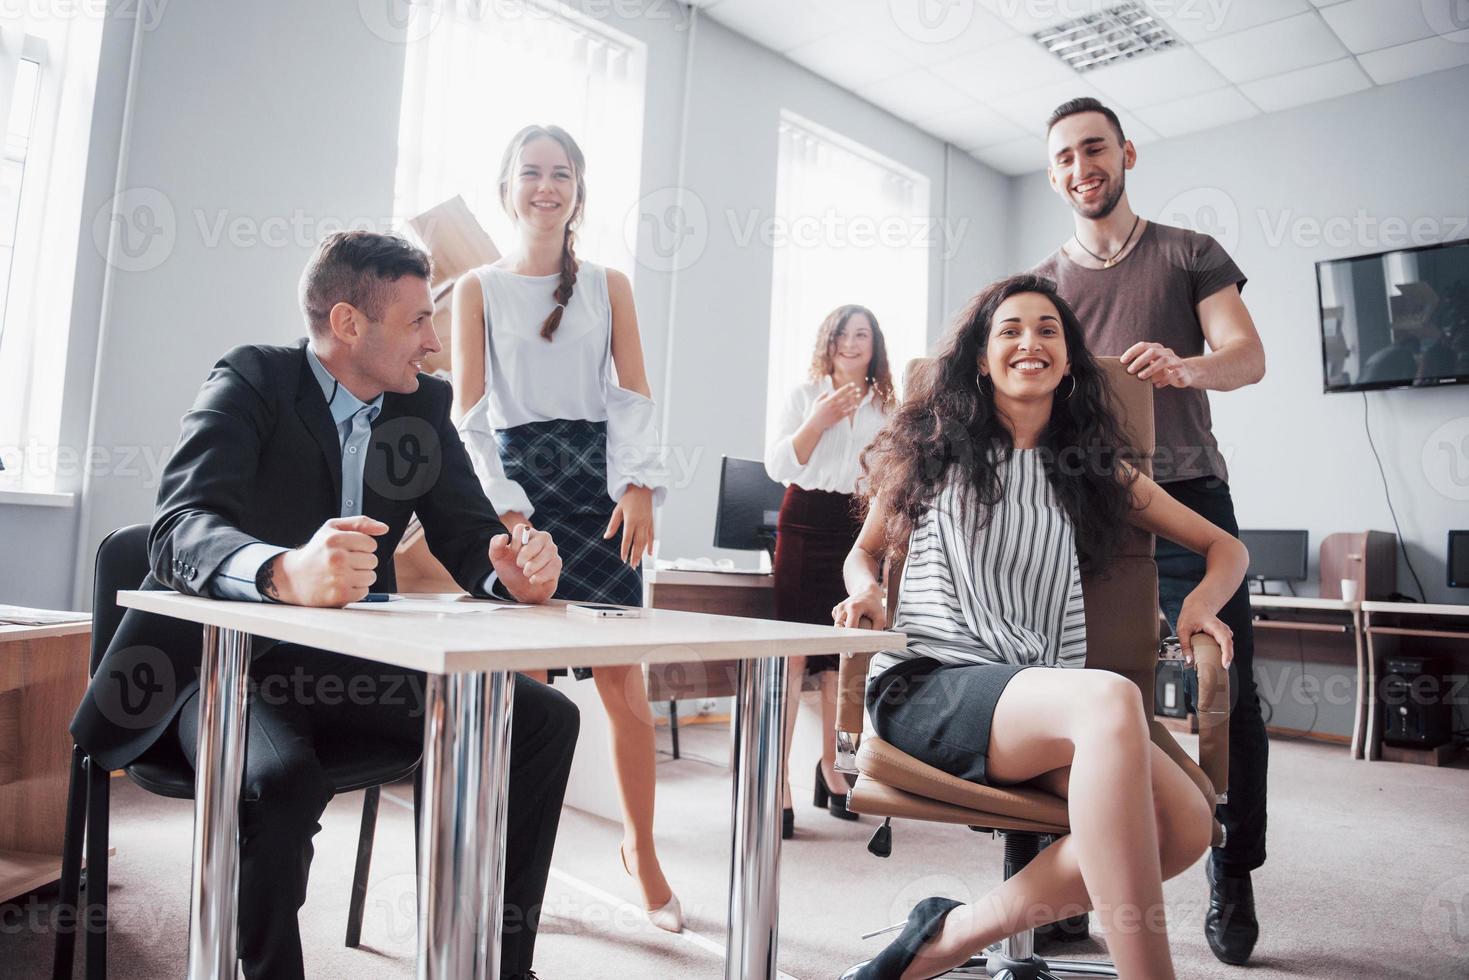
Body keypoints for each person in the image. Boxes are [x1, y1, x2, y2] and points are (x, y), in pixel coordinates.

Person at [69, 231, 577, 980]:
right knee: (282, 782)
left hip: (354, 670)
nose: (435, 344)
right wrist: (282, 571)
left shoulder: (420, 407)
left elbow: (470, 536)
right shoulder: (251, 380)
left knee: (540, 720)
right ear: (347, 324)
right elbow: (179, 529)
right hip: (223, 669)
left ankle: (501, 966)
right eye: (416, 323)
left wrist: (509, 573)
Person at [835, 275, 1246, 980]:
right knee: (1110, 697)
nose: (1030, 341)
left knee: (1180, 826)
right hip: (930, 687)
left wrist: (1200, 604)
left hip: (1035, 700)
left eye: (1048, 329)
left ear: (1068, 357)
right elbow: (863, 551)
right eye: (1011, 330)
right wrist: (866, 591)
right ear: (981, 357)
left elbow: (1225, 548)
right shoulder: (933, 450)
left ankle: (946, 937)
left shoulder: (1092, 470)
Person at [1029, 96, 1269, 966]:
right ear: (1053, 173)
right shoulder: (1043, 286)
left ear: (1125, 153)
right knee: (1065, 693)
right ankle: (1057, 886)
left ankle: (1231, 871)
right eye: (1062, 157)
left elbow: (1246, 356)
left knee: (1225, 694)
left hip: (1191, 495)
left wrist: (1185, 365)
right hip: (1086, 510)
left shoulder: (1189, 253)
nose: (1079, 167)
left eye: (1093, 149)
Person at [452, 124, 680, 931]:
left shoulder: (609, 283)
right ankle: (521, 864)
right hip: (522, 489)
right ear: (506, 188)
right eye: (531, 173)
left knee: (625, 690)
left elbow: (635, 394)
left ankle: (641, 853)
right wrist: (511, 514)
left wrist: (642, 486)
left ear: (579, 189)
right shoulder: (477, 287)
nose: (545, 187)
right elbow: (471, 417)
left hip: (602, 490)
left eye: (561, 174)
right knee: (534, 697)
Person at [763, 304, 894, 838]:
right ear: (828, 340)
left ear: (874, 344)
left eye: (861, 333)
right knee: (794, 659)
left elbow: (894, 475)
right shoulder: (803, 394)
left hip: (857, 527)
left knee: (846, 663)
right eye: (841, 332)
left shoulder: (888, 405)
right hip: (803, 523)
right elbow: (778, 466)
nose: (850, 341)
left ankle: (838, 770)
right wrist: (817, 420)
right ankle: (777, 783)